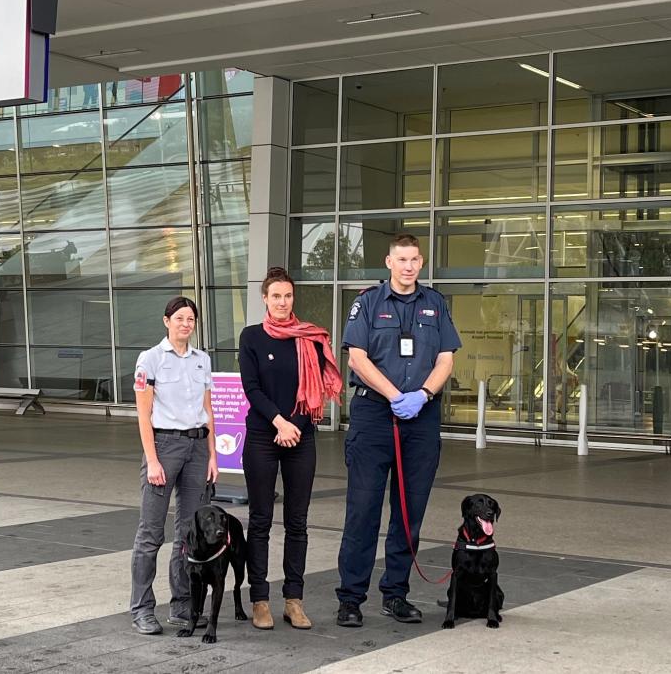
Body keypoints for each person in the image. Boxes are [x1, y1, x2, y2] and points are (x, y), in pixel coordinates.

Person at [335, 234, 462, 629]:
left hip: (420, 419)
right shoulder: (368, 303)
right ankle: (351, 599)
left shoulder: (435, 304)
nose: (408, 266)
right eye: (401, 259)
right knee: (363, 512)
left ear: (421, 263)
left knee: (409, 514)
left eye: (414, 260)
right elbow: (357, 357)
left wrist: (422, 395)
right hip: (375, 415)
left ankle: (395, 594)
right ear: (388, 262)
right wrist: (393, 395)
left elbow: (446, 360)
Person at [238, 267, 342, 631]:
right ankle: (260, 600)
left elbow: (314, 394)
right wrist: (279, 422)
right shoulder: (251, 337)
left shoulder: (309, 338)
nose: (283, 302)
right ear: (265, 299)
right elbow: (251, 389)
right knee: (261, 521)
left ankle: (293, 601)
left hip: (301, 435)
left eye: (288, 296)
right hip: (262, 437)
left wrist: (293, 426)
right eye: (276, 296)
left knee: (298, 522)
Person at [129, 296, 219, 635]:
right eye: (179, 318)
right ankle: (141, 608)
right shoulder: (150, 359)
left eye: (191, 318)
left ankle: (182, 606)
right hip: (164, 446)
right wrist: (152, 459)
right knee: (151, 532)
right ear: (166, 321)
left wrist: (213, 454)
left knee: (188, 533)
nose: (186, 323)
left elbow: (208, 411)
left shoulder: (202, 360)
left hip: (197, 447)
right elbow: (143, 415)